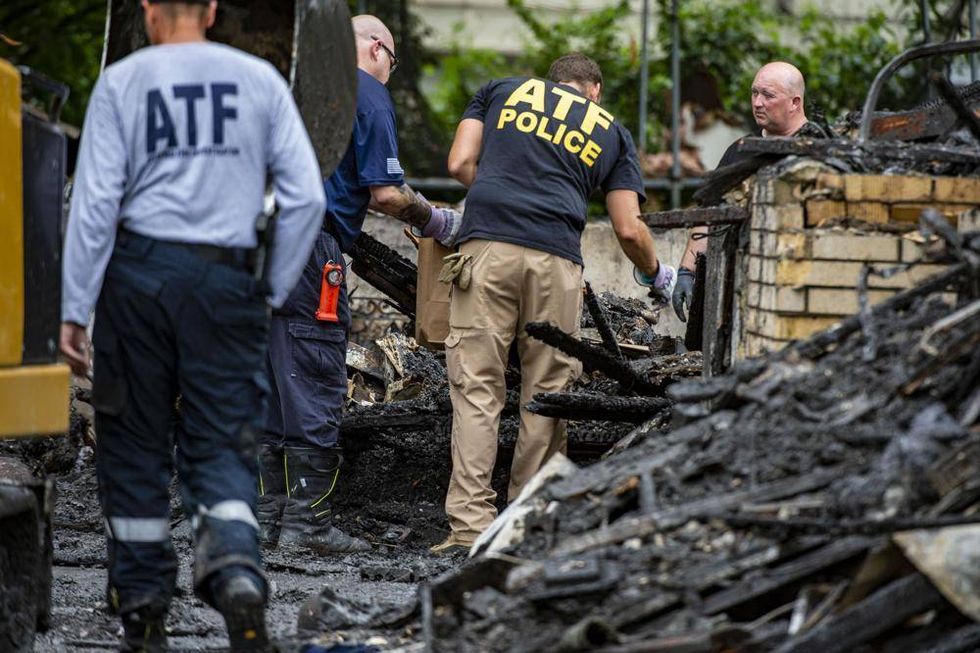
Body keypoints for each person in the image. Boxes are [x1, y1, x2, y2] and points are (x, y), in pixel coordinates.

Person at [59, 0, 326, 649]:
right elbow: (307, 198)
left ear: (148, 10)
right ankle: (234, 568)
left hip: (139, 278)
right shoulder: (259, 80)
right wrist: (267, 289)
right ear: (209, 9)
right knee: (223, 436)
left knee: (134, 440)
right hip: (227, 278)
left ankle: (144, 604)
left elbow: (95, 204)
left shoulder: (123, 81)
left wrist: (73, 307)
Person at [432, 53, 675, 554]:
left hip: (487, 249)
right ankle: (524, 526)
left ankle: (469, 528)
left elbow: (458, 163)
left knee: (477, 389)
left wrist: (504, 193)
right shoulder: (611, 130)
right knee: (546, 392)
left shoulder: (500, 90)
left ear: (552, 82)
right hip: (556, 262)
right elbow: (629, 229)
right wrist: (657, 273)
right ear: (594, 91)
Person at [257, 14, 460, 555]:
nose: (390, 70)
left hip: (254, 244)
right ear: (375, 49)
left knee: (270, 377)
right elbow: (386, 193)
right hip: (309, 249)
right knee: (314, 371)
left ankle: (264, 519)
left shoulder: (295, 89)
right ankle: (307, 525)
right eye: (392, 59)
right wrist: (436, 221)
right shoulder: (365, 93)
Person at [672, 61, 815, 322]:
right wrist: (686, 271)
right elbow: (709, 212)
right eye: (754, 93)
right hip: (742, 289)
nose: (757, 103)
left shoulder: (820, 149)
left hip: (802, 286)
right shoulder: (740, 151)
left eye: (768, 95)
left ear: (795, 102)